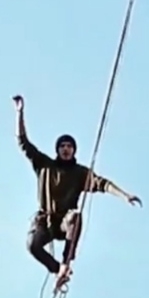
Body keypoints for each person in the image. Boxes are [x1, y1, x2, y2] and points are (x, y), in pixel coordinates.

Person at [13, 95, 140, 287]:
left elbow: (103, 184)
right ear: (57, 149)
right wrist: (19, 113)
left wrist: (125, 196)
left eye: (69, 146)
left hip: (65, 223)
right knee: (32, 245)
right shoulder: (45, 165)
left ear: (74, 150)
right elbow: (23, 142)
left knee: (75, 217)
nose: (66, 149)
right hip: (46, 221)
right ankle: (58, 270)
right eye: (62, 146)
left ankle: (66, 263)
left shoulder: (80, 173)